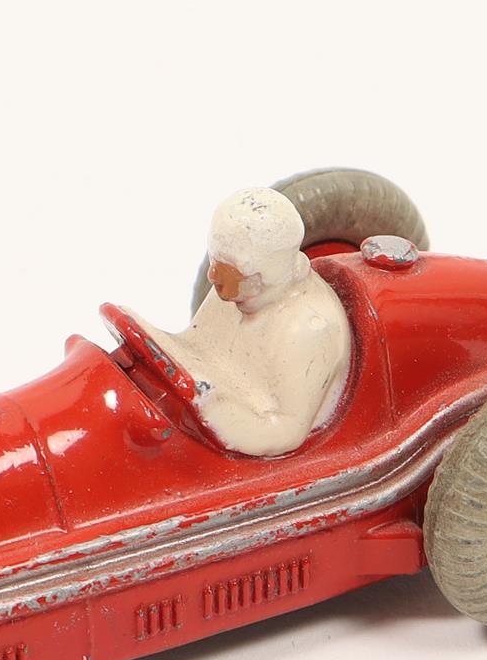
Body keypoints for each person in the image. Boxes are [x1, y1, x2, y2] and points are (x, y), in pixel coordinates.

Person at [129, 187, 352, 457]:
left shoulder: (308, 328)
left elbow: (286, 430)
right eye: (215, 263)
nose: (214, 278)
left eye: (230, 270)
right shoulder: (236, 291)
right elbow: (194, 344)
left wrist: (216, 412)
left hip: (254, 429)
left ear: (263, 274)